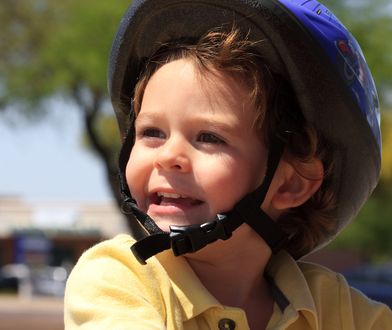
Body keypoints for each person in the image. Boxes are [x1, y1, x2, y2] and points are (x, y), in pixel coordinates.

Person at [64, 0, 392, 329]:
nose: (168, 156)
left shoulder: (333, 307)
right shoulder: (117, 278)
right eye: (152, 133)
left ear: (291, 183)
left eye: (208, 137)